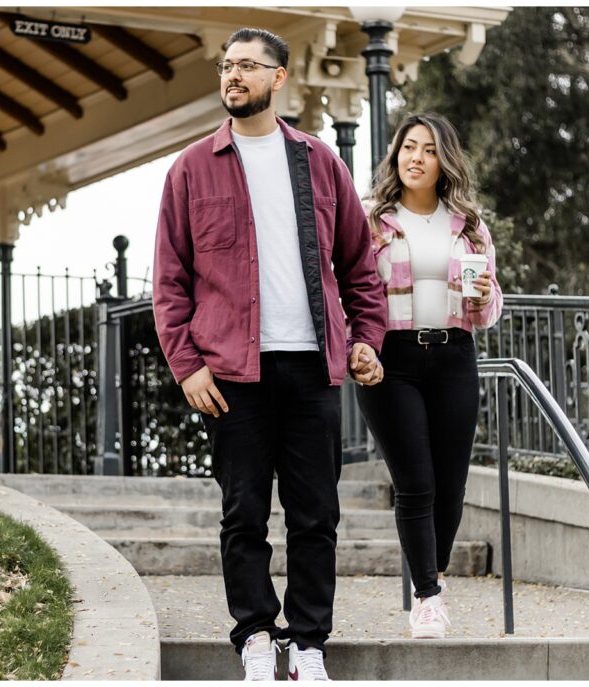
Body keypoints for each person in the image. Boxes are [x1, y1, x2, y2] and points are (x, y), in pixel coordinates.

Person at [152, 27, 386, 681]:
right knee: (243, 512)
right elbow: (169, 279)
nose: (233, 76)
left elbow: (360, 267)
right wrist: (186, 363)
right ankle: (256, 635)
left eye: (248, 66)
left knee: (317, 514)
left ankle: (308, 643)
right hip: (231, 372)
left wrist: (366, 338)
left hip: (311, 365)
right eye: (227, 66)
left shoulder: (320, 162)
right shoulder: (191, 169)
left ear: (279, 78)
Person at [356, 113, 503, 639]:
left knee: (452, 485)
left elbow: (488, 307)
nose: (415, 157)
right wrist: (358, 346)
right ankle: (427, 597)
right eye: (407, 147)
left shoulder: (469, 222)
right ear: (396, 155)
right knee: (416, 483)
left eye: (429, 150)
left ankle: (431, 573)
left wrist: (486, 299)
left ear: (445, 162)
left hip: (454, 356)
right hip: (391, 360)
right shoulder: (370, 218)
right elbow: (349, 288)